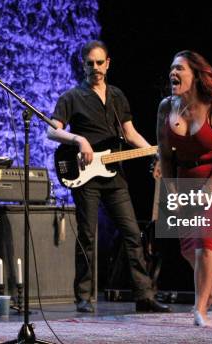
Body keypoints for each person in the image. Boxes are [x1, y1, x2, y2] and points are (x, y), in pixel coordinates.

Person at [48, 40, 170, 313]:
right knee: (88, 237)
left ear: (108, 63)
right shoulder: (71, 96)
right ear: (83, 65)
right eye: (90, 63)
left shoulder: (117, 96)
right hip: (85, 176)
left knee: (132, 234)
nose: (95, 68)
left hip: (115, 176)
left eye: (100, 63)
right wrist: (80, 140)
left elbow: (129, 133)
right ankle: (84, 296)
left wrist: (155, 152)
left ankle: (144, 296)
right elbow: (52, 131)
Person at [156, 50, 212, 327]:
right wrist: (171, 192)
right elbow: (165, 156)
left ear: (195, 74)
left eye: (179, 68)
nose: (173, 73)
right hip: (184, 179)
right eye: (171, 68)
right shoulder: (166, 108)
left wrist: (209, 188)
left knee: (205, 243)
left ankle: (200, 309)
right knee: (187, 249)